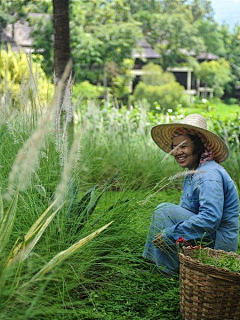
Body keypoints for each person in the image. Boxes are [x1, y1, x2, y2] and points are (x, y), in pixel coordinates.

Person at [143, 114, 239, 277]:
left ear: (198, 146)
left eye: (183, 146)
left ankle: (164, 272)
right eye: (175, 147)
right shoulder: (193, 173)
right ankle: (160, 265)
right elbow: (186, 212)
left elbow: (210, 218)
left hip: (219, 243)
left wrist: (170, 234)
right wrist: (172, 232)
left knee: (164, 211)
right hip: (208, 235)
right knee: (168, 214)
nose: (177, 152)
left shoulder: (209, 174)